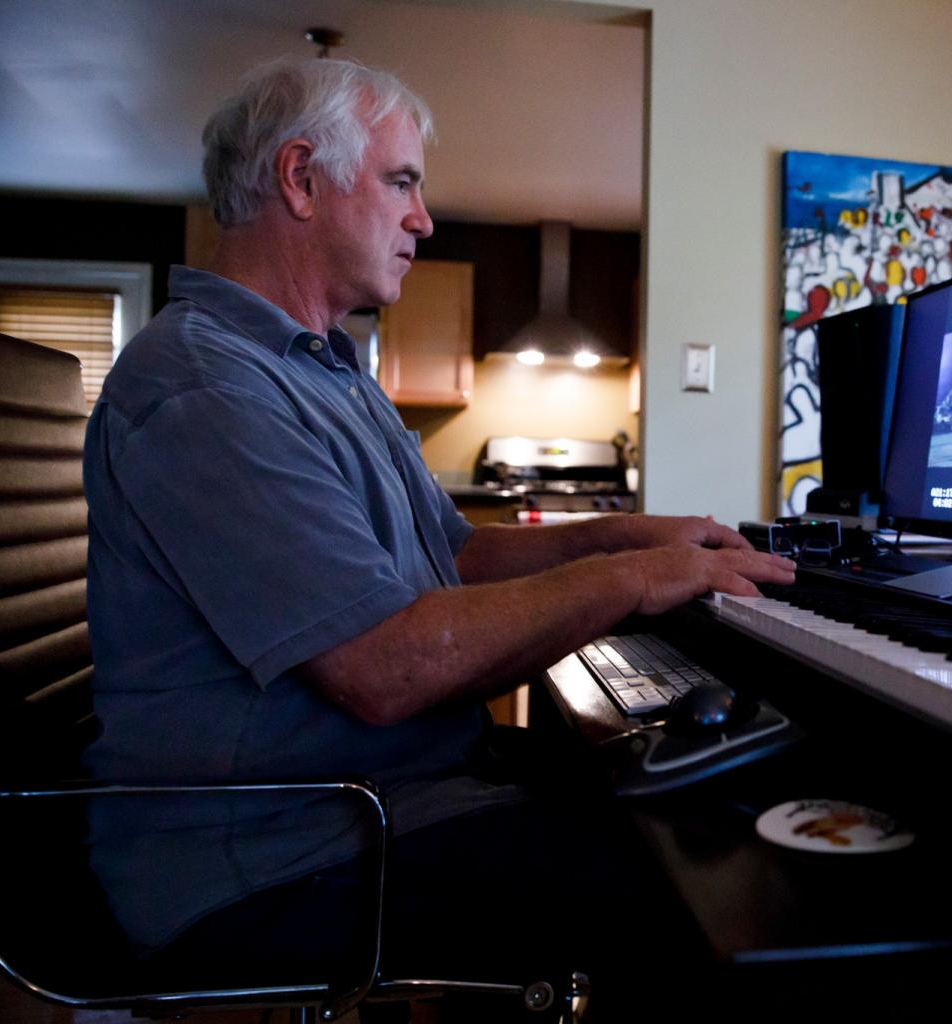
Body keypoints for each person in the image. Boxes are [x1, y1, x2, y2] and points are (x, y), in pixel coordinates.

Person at [80, 56, 793, 994]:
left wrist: (629, 538)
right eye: (402, 182)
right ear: (301, 179)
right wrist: (629, 583)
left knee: (693, 798)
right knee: (702, 894)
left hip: (381, 795)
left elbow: (456, 553)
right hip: (274, 854)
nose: (423, 217)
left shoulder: (324, 370)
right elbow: (387, 668)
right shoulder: (207, 387)